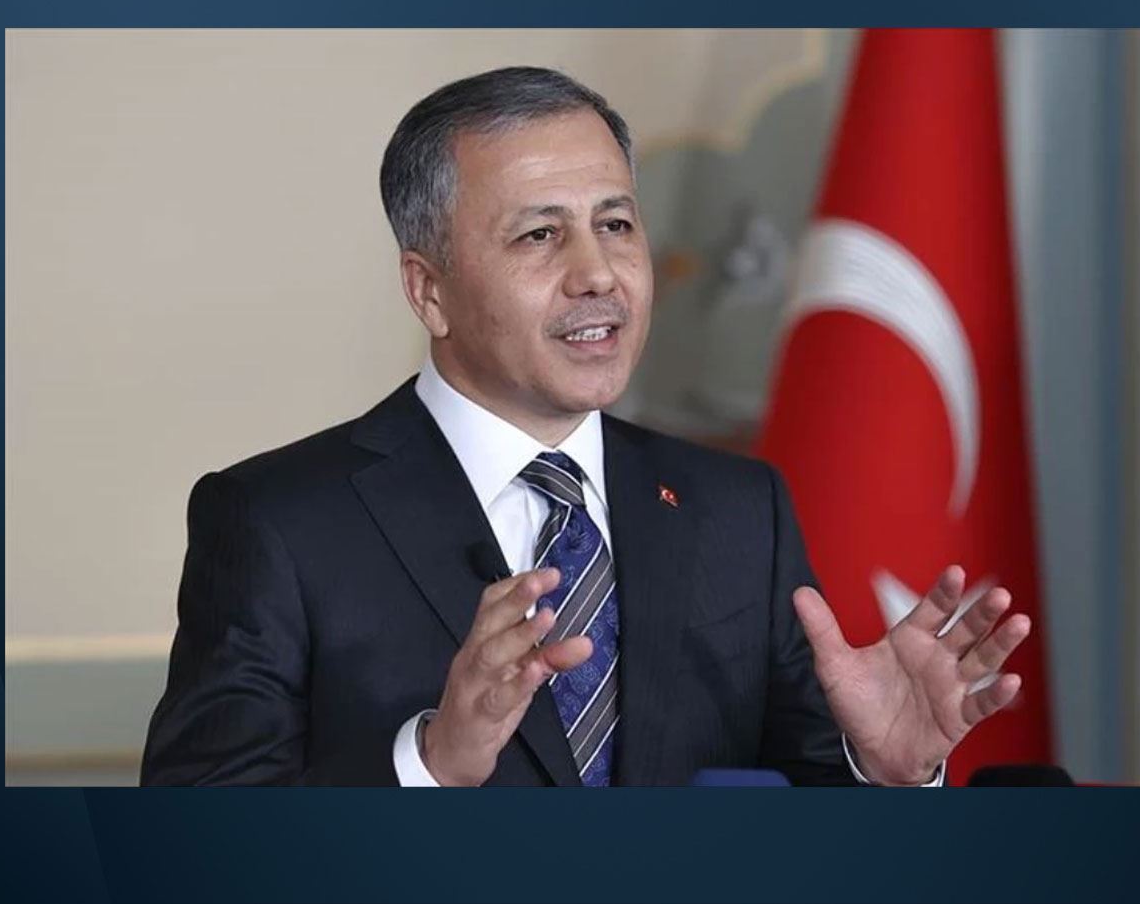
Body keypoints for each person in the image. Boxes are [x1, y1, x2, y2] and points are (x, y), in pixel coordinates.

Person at [141, 67, 1032, 787]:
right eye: (539, 236)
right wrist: (431, 764)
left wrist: (881, 770)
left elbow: (799, 812)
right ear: (429, 289)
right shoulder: (279, 521)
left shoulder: (738, 506)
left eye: (616, 223)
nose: (598, 273)